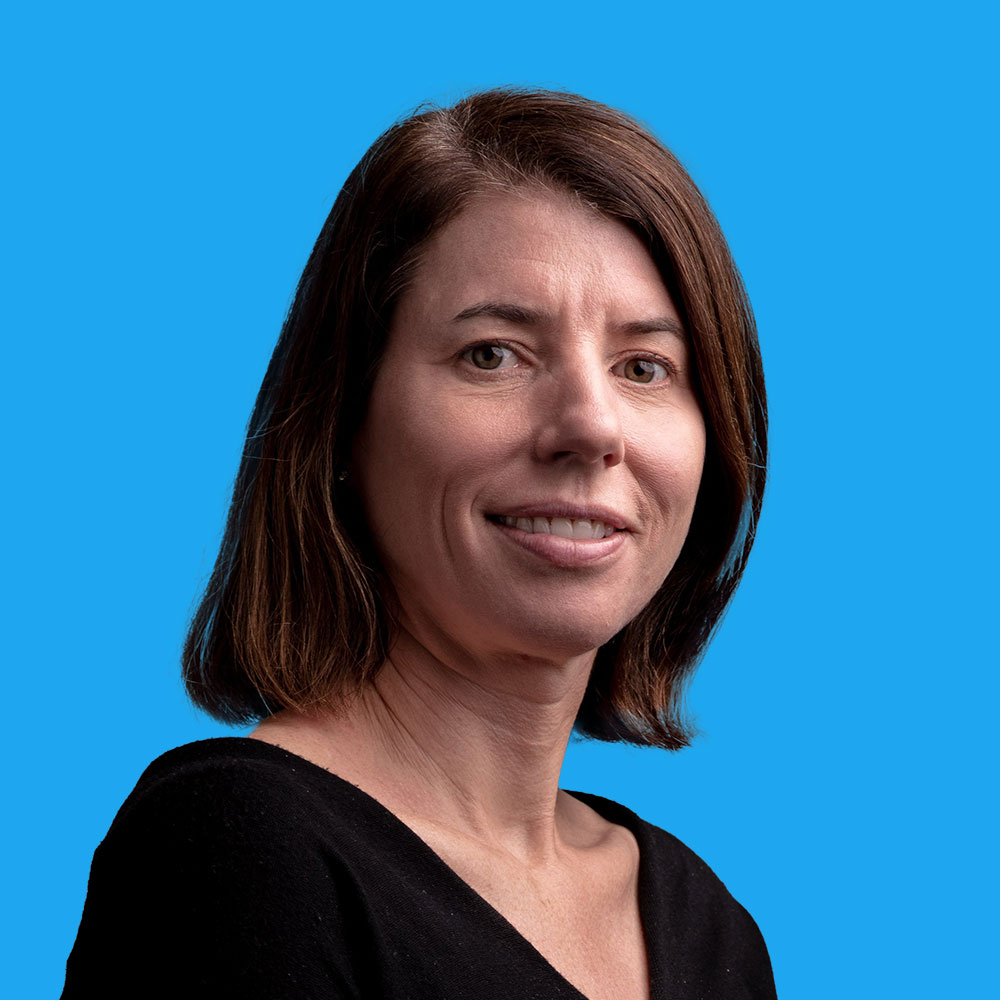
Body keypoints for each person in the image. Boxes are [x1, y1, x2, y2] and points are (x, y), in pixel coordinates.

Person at [62, 89, 773, 999]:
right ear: (344, 424)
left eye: (644, 368)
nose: (592, 427)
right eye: (494, 354)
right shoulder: (241, 855)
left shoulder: (706, 926)